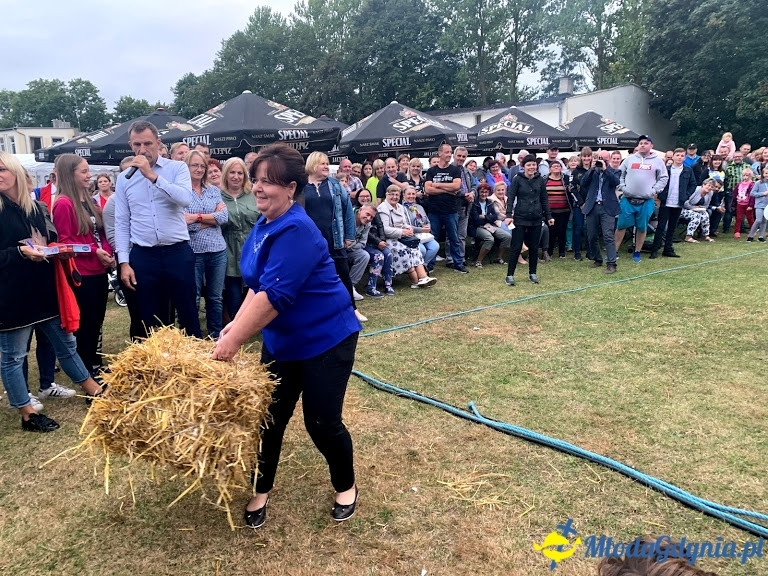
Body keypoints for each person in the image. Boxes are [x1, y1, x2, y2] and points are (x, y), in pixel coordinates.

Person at [211, 143, 362, 528]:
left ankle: (346, 486)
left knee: (321, 421)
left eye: (269, 182)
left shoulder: (297, 228)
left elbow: (275, 297)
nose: (258, 188)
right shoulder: (265, 224)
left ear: (292, 188)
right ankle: (261, 490)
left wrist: (233, 342)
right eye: (256, 179)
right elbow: (257, 286)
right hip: (283, 342)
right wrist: (234, 324)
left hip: (326, 339)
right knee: (269, 418)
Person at [0, 152, 104, 432]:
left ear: (15, 172)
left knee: (66, 344)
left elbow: (51, 239)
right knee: (13, 356)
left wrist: (58, 248)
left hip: (44, 289)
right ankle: (26, 412)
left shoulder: (34, 207)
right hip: (10, 296)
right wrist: (19, 252)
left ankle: (93, 390)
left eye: (1, 169)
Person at [114, 120, 202, 338]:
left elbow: (184, 199)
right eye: (136, 145)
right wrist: (124, 262)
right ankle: (156, 365)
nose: (142, 150)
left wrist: (153, 176)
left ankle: (196, 362)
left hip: (177, 251)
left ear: (159, 143)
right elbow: (122, 221)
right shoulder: (124, 180)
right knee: (150, 317)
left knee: (188, 311)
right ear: (130, 146)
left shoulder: (177, 168)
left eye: (147, 144)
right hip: (144, 254)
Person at [52, 154, 115, 377]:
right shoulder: (63, 204)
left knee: (96, 321)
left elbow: (99, 232)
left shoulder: (88, 200)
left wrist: (107, 251)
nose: (90, 176)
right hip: (82, 272)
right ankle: (86, 371)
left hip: (98, 270)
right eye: (84, 172)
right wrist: (94, 251)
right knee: (86, 325)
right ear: (70, 174)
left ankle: (95, 363)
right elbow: (65, 243)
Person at [303, 152, 367, 323]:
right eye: (322, 163)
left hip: (335, 238)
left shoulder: (335, 185)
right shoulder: (301, 186)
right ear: (312, 165)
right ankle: (321, 313)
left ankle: (352, 310)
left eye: (327, 163)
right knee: (315, 277)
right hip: (312, 242)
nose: (326, 166)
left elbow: (347, 211)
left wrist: (349, 236)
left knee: (343, 274)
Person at [184, 150, 228, 338]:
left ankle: (215, 335)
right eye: (195, 165)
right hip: (193, 251)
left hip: (218, 250)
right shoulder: (182, 193)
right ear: (186, 166)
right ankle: (193, 337)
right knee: (192, 298)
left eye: (202, 166)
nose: (199, 169)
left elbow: (224, 217)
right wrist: (211, 219)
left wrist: (197, 218)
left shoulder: (214, 190)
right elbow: (182, 224)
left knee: (215, 297)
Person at [614, 135, 668, 262]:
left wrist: (654, 190)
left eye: (646, 143)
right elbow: (619, 174)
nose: (643, 145)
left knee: (642, 227)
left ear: (651, 145)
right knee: (621, 226)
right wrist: (623, 187)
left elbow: (664, 178)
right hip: (628, 199)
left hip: (646, 201)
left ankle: (637, 252)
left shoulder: (658, 161)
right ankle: (614, 251)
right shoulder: (630, 159)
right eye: (641, 143)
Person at [504, 154, 553, 285]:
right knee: (516, 246)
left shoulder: (540, 180)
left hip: (536, 217)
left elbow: (544, 199)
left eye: (533, 164)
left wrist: (548, 216)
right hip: (520, 217)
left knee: (534, 247)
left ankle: (532, 273)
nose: (531, 167)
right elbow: (510, 197)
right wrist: (509, 215)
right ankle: (510, 275)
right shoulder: (517, 179)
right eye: (528, 165)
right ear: (523, 167)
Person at [220, 157, 258, 320]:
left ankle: (256, 321)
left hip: (252, 246)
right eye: (232, 172)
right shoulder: (217, 195)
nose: (236, 176)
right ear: (226, 174)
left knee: (256, 288)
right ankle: (236, 323)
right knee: (233, 291)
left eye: (240, 173)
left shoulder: (253, 194)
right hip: (229, 248)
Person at [377, 185, 437, 288]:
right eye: (392, 194)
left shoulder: (400, 207)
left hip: (401, 237)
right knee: (406, 251)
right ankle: (415, 281)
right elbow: (384, 229)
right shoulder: (383, 208)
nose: (394, 197)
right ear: (386, 195)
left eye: (397, 195)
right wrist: (402, 232)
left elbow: (404, 223)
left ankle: (423, 277)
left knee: (415, 248)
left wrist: (408, 228)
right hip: (388, 239)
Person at [649, 148, 697, 259]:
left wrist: (686, 196)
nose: (680, 157)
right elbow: (658, 182)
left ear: (684, 158)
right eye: (678, 155)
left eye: (682, 156)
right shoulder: (666, 169)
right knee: (661, 227)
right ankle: (654, 250)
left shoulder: (688, 170)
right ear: (673, 157)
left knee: (672, 227)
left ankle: (668, 249)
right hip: (666, 202)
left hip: (678, 203)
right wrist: (660, 195)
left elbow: (693, 184)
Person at [426, 143, 466, 273]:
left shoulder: (455, 170)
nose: (449, 154)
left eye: (450, 152)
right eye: (447, 152)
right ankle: (430, 265)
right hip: (434, 211)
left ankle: (458, 264)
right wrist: (447, 189)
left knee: (454, 239)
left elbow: (456, 187)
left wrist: (437, 185)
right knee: (433, 238)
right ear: (440, 153)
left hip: (451, 210)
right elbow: (428, 189)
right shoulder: (431, 171)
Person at [581, 156, 620, 273]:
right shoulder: (593, 172)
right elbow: (583, 183)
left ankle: (612, 263)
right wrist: (592, 169)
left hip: (607, 207)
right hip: (592, 206)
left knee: (608, 235)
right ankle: (597, 259)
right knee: (591, 236)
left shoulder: (615, 171)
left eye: (603, 159)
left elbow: (616, 182)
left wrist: (605, 169)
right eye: (598, 158)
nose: (600, 161)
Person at [356, 189, 395, 295]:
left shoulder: (373, 210)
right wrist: (378, 242)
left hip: (375, 242)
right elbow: (365, 234)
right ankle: (371, 287)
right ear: (357, 198)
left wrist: (382, 240)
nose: (365, 198)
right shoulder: (355, 213)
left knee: (388, 253)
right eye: (362, 196)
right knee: (379, 256)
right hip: (364, 243)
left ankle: (388, 284)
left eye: (367, 196)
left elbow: (380, 225)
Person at [470, 183, 510, 267]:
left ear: (489, 193)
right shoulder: (474, 203)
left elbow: (495, 217)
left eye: (486, 192)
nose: (484, 194)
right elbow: (475, 219)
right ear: (478, 192)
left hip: (490, 225)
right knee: (489, 239)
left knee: (507, 237)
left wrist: (484, 217)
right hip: (477, 227)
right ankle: (478, 261)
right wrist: (488, 217)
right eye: (482, 192)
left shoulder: (490, 202)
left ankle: (499, 258)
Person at [402, 186, 439, 272]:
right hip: (412, 235)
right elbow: (406, 225)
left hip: (423, 234)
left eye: (413, 194)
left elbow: (426, 220)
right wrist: (421, 229)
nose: (411, 196)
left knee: (435, 247)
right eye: (409, 194)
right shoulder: (401, 208)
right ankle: (420, 269)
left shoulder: (419, 207)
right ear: (403, 195)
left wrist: (428, 227)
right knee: (422, 250)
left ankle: (423, 266)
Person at [451, 146, 476, 269]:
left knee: (462, 235)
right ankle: (451, 259)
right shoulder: (449, 169)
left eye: (463, 156)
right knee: (451, 235)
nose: (461, 158)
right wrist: (464, 194)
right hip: (453, 206)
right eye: (459, 156)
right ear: (454, 156)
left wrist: (472, 193)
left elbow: (474, 186)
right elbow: (451, 188)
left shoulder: (468, 171)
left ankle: (460, 258)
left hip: (466, 206)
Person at [544, 160, 571, 259]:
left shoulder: (566, 179)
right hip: (550, 212)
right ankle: (549, 251)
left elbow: (570, 193)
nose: (556, 167)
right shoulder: (545, 180)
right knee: (551, 232)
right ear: (549, 168)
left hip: (564, 211)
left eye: (558, 166)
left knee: (562, 231)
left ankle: (561, 252)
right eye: (554, 166)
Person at [681, 178, 717, 243]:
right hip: (684, 208)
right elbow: (685, 202)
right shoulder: (695, 190)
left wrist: (700, 208)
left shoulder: (710, 193)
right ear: (703, 185)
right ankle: (688, 236)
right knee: (696, 216)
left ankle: (706, 235)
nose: (709, 188)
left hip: (698, 209)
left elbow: (706, 205)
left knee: (705, 215)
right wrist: (692, 208)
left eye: (711, 187)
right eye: (708, 185)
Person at [730, 166, 755, 237]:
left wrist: (751, 205)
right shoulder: (739, 184)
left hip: (748, 204)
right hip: (740, 203)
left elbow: (752, 196)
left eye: (747, 175)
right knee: (739, 218)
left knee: (750, 218)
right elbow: (735, 194)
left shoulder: (752, 185)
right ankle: (737, 231)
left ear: (750, 176)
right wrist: (733, 204)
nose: (745, 177)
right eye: (744, 175)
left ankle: (753, 230)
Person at [747, 167, 768, 242]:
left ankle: (761, 236)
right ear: (763, 174)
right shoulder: (758, 183)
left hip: (767, 206)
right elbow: (752, 193)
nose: (767, 175)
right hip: (759, 204)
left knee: (764, 221)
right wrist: (762, 194)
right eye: (766, 173)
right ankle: (750, 235)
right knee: (758, 220)